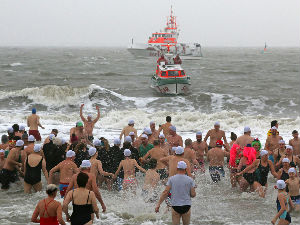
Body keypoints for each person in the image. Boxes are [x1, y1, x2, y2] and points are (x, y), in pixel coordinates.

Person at [155, 161, 196, 225]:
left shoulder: (171, 179)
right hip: (186, 206)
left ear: (177, 169)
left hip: (175, 206)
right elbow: (193, 194)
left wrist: (158, 204)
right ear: (185, 169)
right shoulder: (190, 180)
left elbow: (165, 192)